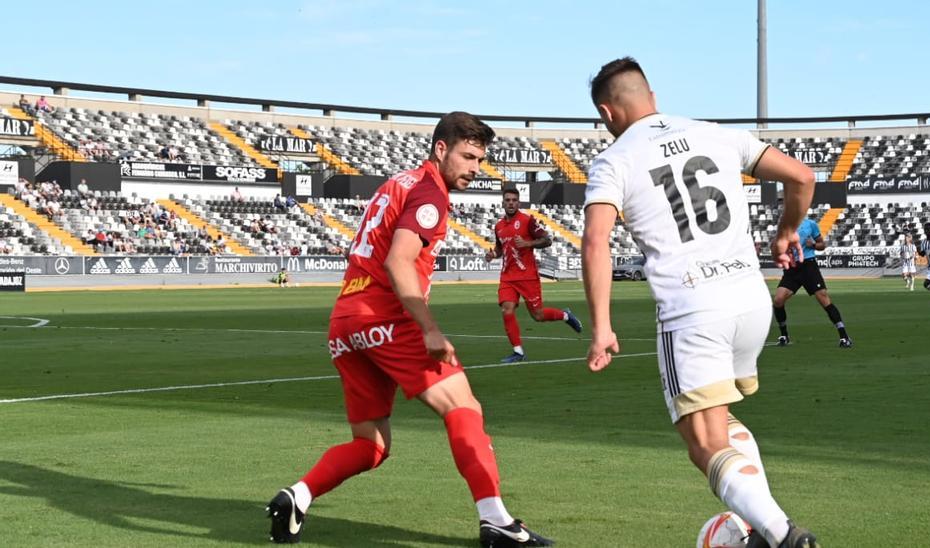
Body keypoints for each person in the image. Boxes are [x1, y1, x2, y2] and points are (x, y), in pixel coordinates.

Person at [266, 112, 553, 547]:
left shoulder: (397, 182)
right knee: (464, 408)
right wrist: (430, 329)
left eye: (480, 160)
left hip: (346, 321)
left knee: (372, 446)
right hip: (385, 316)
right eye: (468, 156)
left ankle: (298, 496)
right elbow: (397, 261)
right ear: (441, 149)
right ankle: (496, 520)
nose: (475, 169)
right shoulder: (430, 193)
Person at [580, 57, 820, 548]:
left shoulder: (615, 159)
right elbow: (802, 176)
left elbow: (595, 240)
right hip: (750, 301)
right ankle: (759, 531)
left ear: (607, 113)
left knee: (705, 444)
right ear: (652, 94)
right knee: (723, 421)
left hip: (694, 309)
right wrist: (787, 232)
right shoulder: (715, 133)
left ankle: (783, 536)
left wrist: (602, 325)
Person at [484, 188, 582, 363]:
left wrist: (528, 243)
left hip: (527, 276)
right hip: (507, 277)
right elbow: (500, 249)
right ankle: (518, 352)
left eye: (514, 200)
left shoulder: (527, 220)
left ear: (518, 203)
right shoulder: (498, 226)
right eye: (508, 200)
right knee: (507, 309)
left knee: (538, 315)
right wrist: (493, 255)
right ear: (503, 203)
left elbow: (547, 240)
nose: (511, 203)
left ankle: (566, 315)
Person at [771, 213, 852, 348]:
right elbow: (776, 245)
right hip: (792, 268)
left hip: (808, 266)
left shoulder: (810, 224)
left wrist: (813, 244)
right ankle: (784, 335)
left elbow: (822, 245)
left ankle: (844, 336)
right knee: (778, 300)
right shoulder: (784, 225)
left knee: (824, 299)